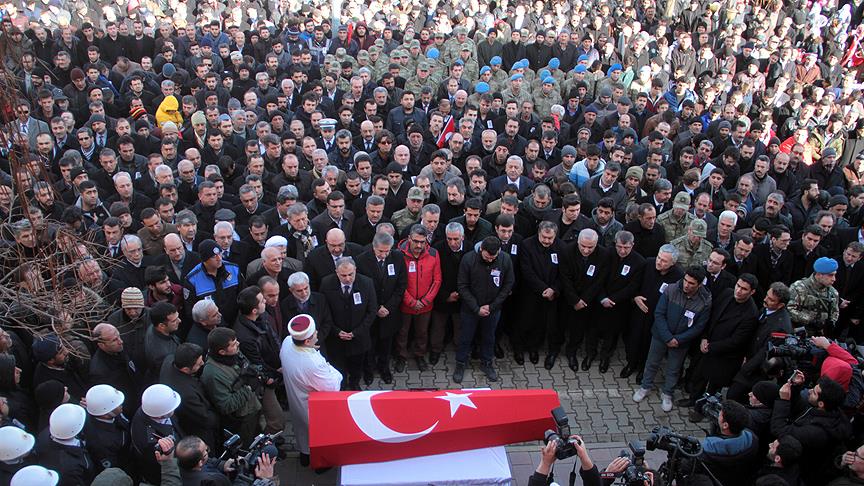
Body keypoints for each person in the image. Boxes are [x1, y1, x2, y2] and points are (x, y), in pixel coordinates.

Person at [634, 265, 712, 412]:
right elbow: (659, 313)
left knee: (674, 369)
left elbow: (699, 326)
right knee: (652, 362)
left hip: (681, 342)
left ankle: (668, 393)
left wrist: (679, 339)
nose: (686, 285)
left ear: (700, 285)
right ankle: (645, 387)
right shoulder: (670, 289)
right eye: (686, 281)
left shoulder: (705, 301)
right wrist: (667, 336)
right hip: (660, 335)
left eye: (691, 283)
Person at [281, 314, 343, 467]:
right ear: (307, 341)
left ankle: (304, 458)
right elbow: (332, 387)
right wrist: (330, 368)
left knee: (302, 432)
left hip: (295, 400)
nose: (317, 333)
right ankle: (321, 467)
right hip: (312, 407)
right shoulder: (313, 363)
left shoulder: (288, 342)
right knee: (320, 436)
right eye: (315, 332)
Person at [454, 236, 515, 383]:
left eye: (493, 257)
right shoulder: (468, 259)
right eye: (487, 257)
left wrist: (492, 306)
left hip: (493, 309)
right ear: (481, 250)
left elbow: (508, 284)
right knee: (465, 338)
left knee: (489, 338)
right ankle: (460, 364)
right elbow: (462, 286)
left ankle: (487, 363)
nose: (490, 260)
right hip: (470, 309)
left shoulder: (505, 259)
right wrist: (476, 308)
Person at [772, 374, 852, 486]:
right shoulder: (829, 411)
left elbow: (779, 430)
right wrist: (795, 388)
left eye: (814, 392)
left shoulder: (817, 433)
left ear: (821, 404)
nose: (809, 391)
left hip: (801, 471)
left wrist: (783, 400)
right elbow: (802, 409)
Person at [355, 232, 407, 384]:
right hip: (370, 312)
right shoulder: (362, 260)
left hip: (390, 311)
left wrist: (388, 307)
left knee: (386, 342)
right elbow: (361, 288)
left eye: (387, 251)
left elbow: (401, 285)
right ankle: (369, 370)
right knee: (370, 343)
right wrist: (376, 307)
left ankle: (384, 368)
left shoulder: (397, 258)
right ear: (374, 247)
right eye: (381, 251)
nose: (384, 255)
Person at [319, 257, 378, 389]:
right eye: (343, 275)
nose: (347, 278)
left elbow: (372, 310)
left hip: (359, 337)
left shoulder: (367, 283)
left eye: (351, 274)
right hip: (336, 339)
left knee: (356, 365)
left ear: (355, 270)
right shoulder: (327, 283)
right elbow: (324, 311)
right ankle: (342, 385)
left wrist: (356, 332)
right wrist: (336, 331)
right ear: (336, 272)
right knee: (338, 366)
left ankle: (354, 383)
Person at [201, 327, 262, 444]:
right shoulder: (213, 374)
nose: (238, 344)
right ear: (222, 352)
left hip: (253, 409)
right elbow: (226, 405)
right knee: (247, 447)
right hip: (242, 420)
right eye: (233, 344)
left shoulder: (233, 354)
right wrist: (248, 388)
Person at [395, 225, 441, 373]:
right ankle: (401, 356)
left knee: (422, 332)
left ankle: (419, 355)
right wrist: (410, 301)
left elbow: (437, 280)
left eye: (422, 241)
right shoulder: (398, 254)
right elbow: (398, 282)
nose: (419, 245)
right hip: (405, 305)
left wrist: (426, 300)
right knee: (402, 332)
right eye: (415, 241)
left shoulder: (434, 254)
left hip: (425, 305)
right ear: (409, 238)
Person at [159, 343, 220, 450]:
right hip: (196, 430)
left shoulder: (169, 360)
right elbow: (205, 419)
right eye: (198, 363)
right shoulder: (187, 394)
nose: (202, 363)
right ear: (186, 369)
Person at [131, 384, 182, 485]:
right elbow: (164, 464)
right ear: (161, 414)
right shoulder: (150, 440)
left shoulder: (149, 410)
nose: (174, 409)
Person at [787, 256, 840, 335]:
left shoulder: (833, 293)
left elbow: (835, 312)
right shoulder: (799, 287)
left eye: (834, 275)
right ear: (819, 274)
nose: (834, 279)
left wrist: (831, 323)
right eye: (830, 275)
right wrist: (810, 319)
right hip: (799, 333)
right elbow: (789, 310)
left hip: (820, 336)